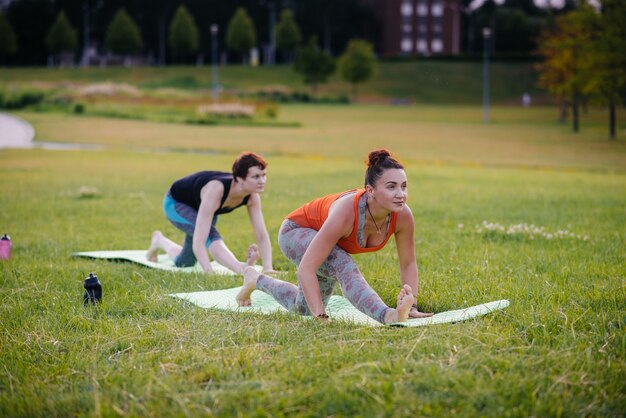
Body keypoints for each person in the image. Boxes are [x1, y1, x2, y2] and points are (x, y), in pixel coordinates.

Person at [236, 149, 432, 324]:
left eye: (404, 186)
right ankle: (388, 316)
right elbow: (307, 267)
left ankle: (255, 279)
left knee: (302, 309)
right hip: (294, 232)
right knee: (343, 265)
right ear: (370, 190)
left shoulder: (403, 215)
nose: (401, 194)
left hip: (326, 243)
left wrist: (412, 305)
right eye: (391, 187)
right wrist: (321, 316)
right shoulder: (347, 211)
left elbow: (408, 263)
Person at [146, 152, 274, 275]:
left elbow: (261, 234)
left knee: (185, 262)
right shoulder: (216, 190)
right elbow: (199, 240)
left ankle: (159, 240)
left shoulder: (252, 197)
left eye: (264, 175)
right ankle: (241, 268)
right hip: (175, 203)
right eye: (256, 176)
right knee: (210, 235)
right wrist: (209, 272)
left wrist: (268, 268)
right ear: (240, 178)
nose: (262, 181)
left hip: (203, 206)